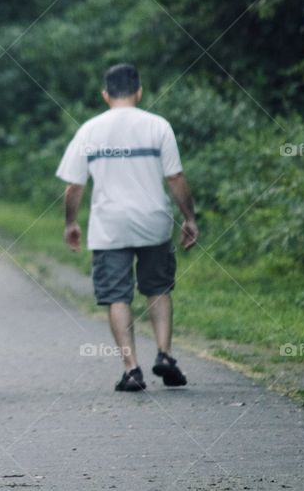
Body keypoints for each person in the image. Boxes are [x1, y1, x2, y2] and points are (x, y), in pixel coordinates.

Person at [56, 63, 198, 392]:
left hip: (109, 225)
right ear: (139, 91)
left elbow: (74, 187)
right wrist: (189, 217)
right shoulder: (158, 126)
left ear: (105, 94)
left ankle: (131, 369)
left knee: (117, 295)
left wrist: (70, 223)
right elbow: (175, 177)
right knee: (158, 288)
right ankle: (164, 354)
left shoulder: (90, 130)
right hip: (154, 220)